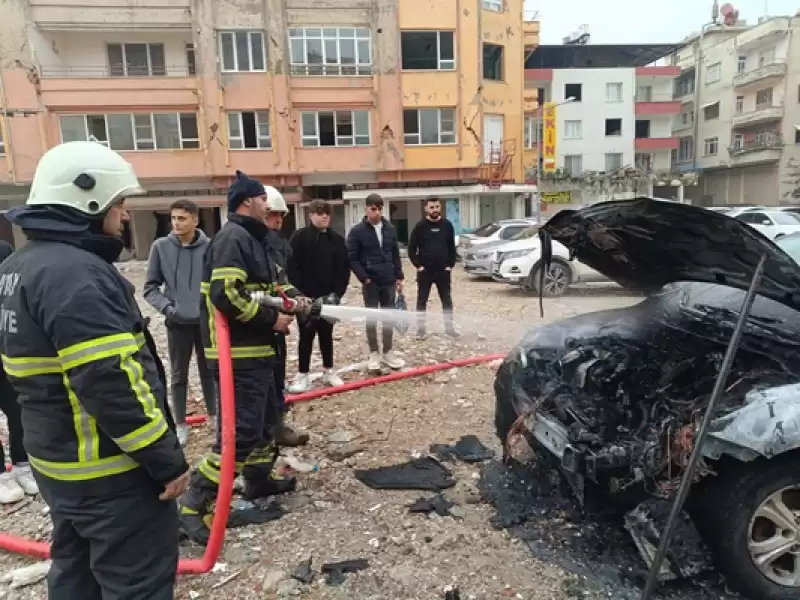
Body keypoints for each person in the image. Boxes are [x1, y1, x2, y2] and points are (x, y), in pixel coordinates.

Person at [0, 141, 189, 599]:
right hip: (110, 473)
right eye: (119, 204)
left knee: (76, 570)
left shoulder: (18, 266)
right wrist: (166, 461)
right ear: (88, 200)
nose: (124, 216)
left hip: (58, 463)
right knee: (135, 583)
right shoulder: (76, 274)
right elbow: (110, 380)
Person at [179, 170, 298, 546]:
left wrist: (302, 303)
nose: (269, 204)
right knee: (241, 433)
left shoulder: (255, 239)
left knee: (265, 421)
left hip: (259, 349)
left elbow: (271, 286)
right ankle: (194, 504)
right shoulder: (233, 238)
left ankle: (258, 481)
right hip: (238, 354)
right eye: (264, 198)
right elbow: (225, 295)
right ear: (247, 201)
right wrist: (272, 318)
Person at [144, 199, 216, 448]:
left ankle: (215, 417)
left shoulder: (211, 247)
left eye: (182, 218)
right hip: (177, 323)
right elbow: (150, 288)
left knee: (209, 371)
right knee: (178, 375)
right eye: (173, 218)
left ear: (195, 220)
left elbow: (217, 283)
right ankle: (181, 423)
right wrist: (168, 309)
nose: (176, 223)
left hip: (205, 323)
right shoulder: (160, 247)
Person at [261, 189, 310, 447]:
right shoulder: (245, 245)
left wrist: (298, 298)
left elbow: (281, 282)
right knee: (260, 384)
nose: (279, 221)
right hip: (256, 327)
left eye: (281, 216)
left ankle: (277, 427)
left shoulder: (278, 246)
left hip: (275, 326)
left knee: (277, 375)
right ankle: (261, 436)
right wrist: (272, 317)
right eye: (273, 216)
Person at [286, 199, 350, 392]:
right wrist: (299, 295)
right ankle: (303, 374)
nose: (324, 217)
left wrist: (336, 294)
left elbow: (343, 270)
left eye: (327, 213)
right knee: (305, 335)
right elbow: (292, 267)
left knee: (326, 334)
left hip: (328, 297)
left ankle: (329, 370)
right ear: (311, 215)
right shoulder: (299, 237)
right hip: (305, 298)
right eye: (320, 213)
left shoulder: (336, 239)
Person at [346, 193, 405, 373]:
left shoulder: (390, 228)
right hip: (371, 281)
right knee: (371, 318)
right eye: (373, 208)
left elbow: (395, 253)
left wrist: (399, 276)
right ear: (366, 208)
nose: (376, 212)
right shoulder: (357, 231)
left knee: (388, 317)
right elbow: (352, 258)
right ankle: (374, 353)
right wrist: (364, 278)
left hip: (388, 280)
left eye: (379, 208)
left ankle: (387, 351)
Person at [0, 240, 38, 504]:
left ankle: (23, 463)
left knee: (17, 408)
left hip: (5, 348)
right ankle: (1, 475)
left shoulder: (3, 250)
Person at [407, 196, 460, 339]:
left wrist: (450, 265)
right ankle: (421, 330)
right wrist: (418, 265)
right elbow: (411, 248)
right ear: (426, 209)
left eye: (437, 207)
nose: (435, 210)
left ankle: (449, 329)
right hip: (425, 271)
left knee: (447, 300)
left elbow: (451, 247)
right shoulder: (420, 226)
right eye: (431, 207)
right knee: (422, 301)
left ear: (440, 207)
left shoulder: (447, 225)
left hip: (443, 271)